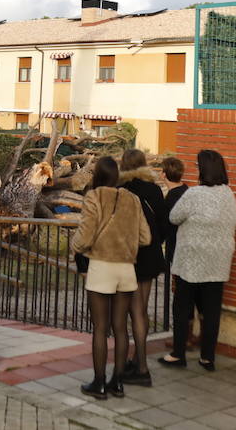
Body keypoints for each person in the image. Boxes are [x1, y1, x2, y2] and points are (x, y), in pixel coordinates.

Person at [74, 155, 150, 400]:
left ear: (97, 175)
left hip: (102, 266)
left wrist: (74, 246)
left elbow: (84, 237)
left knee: (100, 328)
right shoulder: (133, 199)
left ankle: (99, 383)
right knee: (120, 327)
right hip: (126, 268)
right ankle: (118, 381)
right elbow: (145, 238)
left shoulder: (94, 197)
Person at [160, 148, 236, 371]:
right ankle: (207, 357)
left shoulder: (194, 194)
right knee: (211, 311)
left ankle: (178, 354)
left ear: (203, 170)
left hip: (192, 261)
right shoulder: (228, 194)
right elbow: (234, 220)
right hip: (218, 260)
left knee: (182, 308)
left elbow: (174, 217)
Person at [118, 148, 168, 387]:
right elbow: (163, 225)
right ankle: (140, 361)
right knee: (141, 310)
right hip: (149, 256)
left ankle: (134, 365)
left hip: (125, 256)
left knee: (122, 313)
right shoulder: (154, 190)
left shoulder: (119, 191)